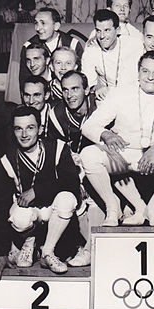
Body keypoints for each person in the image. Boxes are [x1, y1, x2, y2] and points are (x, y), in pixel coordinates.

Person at [80, 51, 154, 227]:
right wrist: (106, 134)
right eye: (145, 71)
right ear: (138, 72)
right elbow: (88, 126)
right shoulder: (121, 92)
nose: (150, 77)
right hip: (122, 154)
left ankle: (153, 209)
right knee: (88, 155)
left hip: (152, 155)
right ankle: (112, 207)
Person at [0, 106, 81, 278]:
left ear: (40, 129)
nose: (24, 134)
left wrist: (37, 191)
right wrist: (0, 252)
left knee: (67, 199)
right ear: (13, 131)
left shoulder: (57, 147)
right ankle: (28, 242)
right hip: (30, 215)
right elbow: (0, 204)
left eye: (30, 127)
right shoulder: (6, 160)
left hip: (54, 213)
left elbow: (72, 183)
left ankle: (48, 252)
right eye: (18, 129)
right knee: (19, 215)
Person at [49, 70, 104, 267]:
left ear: (87, 89)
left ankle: (91, 249)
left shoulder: (100, 106)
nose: (70, 95)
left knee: (97, 195)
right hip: (73, 169)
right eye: (65, 90)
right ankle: (83, 247)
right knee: (74, 197)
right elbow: (57, 155)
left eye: (75, 89)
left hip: (100, 166)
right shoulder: (55, 114)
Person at [81, 9, 142, 100]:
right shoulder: (91, 50)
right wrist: (96, 88)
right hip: (106, 98)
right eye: (98, 31)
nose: (102, 36)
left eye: (107, 30)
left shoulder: (135, 45)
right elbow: (88, 81)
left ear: (118, 30)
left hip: (133, 96)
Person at [19, 7, 83, 88]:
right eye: (36, 23)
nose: (38, 28)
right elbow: (24, 81)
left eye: (43, 23)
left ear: (56, 26)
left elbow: (81, 77)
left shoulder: (72, 44)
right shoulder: (29, 47)